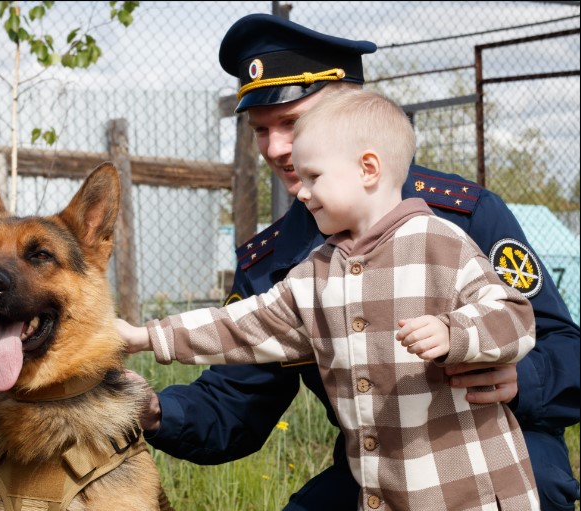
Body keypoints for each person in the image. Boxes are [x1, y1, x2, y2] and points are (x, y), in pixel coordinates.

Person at [127, 13, 580, 511]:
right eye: (261, 130)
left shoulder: (461, 218)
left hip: (495, 441)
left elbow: (563, 344)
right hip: (380, 466)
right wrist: (153, 410)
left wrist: (520, 380)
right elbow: (235, 403)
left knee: (539, 482)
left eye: (293, 124)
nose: (278, 149)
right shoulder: (274, 261)